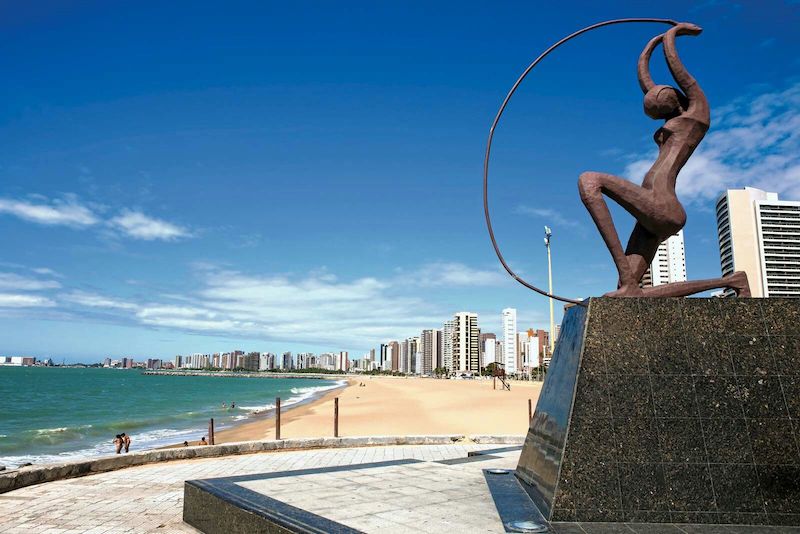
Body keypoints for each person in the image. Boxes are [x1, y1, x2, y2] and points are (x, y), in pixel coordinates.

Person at [577, 21, 749, 298]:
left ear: (675, 100)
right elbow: (648, 83)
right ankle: (733, 281)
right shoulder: (674, 115)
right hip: (653, 210)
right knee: (631, 295)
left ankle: (625, 274)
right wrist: (649, 48)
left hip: (663, 204)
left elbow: (683, 77)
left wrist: (672, 36)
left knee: (589, 181)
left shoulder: (697, 118)